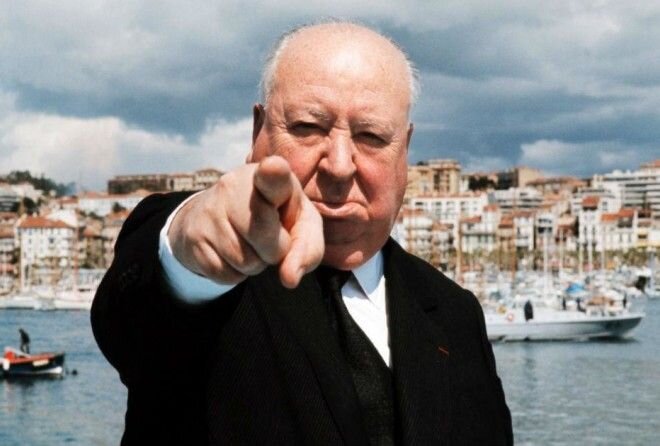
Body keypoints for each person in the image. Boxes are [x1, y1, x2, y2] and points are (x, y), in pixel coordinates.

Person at [92, 21, 512, 445]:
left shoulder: (456, 313)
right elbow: (134, 316)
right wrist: (192, 243)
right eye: (308, 127)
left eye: (370, 136)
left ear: (404, 150)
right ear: (258, 132)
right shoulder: (216, 280)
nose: (340, 165)